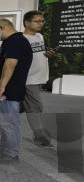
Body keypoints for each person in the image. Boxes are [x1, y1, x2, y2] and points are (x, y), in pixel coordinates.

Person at [0, 18, 33, 162]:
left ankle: (11, 153)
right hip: (2, 90)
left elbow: (10, 64)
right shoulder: (9, 42)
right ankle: (4, 146)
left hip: (8, 91)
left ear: (2, 27)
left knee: (9, 122)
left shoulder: (16, 42)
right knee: (2, 121)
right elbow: (3, 63)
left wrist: (1, 87)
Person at [22, 10, 55, 147]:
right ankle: (40, 136)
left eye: (42, 21)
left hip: (39, 78)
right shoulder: (22, 39)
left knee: (33, 107)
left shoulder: (39, 36)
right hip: (29, 79)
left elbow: (38, 54)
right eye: (37, 21)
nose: (41, 23)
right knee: (35, 108)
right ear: (27, 22)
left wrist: (47, 53)